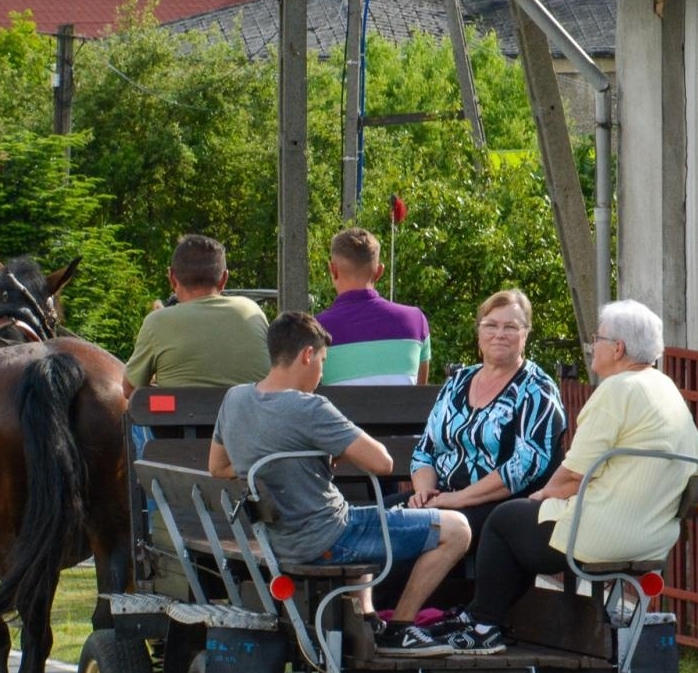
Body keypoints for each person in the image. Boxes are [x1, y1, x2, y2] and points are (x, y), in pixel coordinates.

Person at [398, 299, 698, 654]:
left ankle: (483, 623)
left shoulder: (617, 390)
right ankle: (479, 617)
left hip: (600, 531)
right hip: (652, 535)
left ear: (618, 348)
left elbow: (572, 474)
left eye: (599, 339)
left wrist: (543, 495)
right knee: (516, 521)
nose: (593, 346)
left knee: (506, 519)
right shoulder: (665, 389)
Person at [209, 312, 471, 649]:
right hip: (330, 538)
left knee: (365, 512)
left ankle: (368, 617)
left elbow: (218, 466)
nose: (321, 372)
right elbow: (383, 462)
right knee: (458, 529)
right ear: (307, 355)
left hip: (281, 539)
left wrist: (269, 463)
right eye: (322, 360)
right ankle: (402, 627)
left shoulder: (235, 399)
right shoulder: (311, 408)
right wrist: (339, 449)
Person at [405, 288, 566, 543]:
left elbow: (523, 466)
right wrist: (425, 494)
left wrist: (457, 499)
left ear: (526, 334)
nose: (499, 334)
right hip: (441, 496)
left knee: (425, 533)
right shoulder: (457, 382)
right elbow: (425, 450)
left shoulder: (537, 389)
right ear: (479, 331)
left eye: (511, 327)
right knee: (380, 521)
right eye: (491, 325)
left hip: (500, 506)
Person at [125, 234, 269, 389]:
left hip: (181, 413)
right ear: (224, 279)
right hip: (247, 413)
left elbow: (129, 389)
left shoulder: (157, 322)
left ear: (172, 278)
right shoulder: (251, 311)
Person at [316, 227, 430, 386]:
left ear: (333, 270)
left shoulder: (315, 331)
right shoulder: (416, 321)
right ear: (379, 272)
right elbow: (419, 397)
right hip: (398, 412)